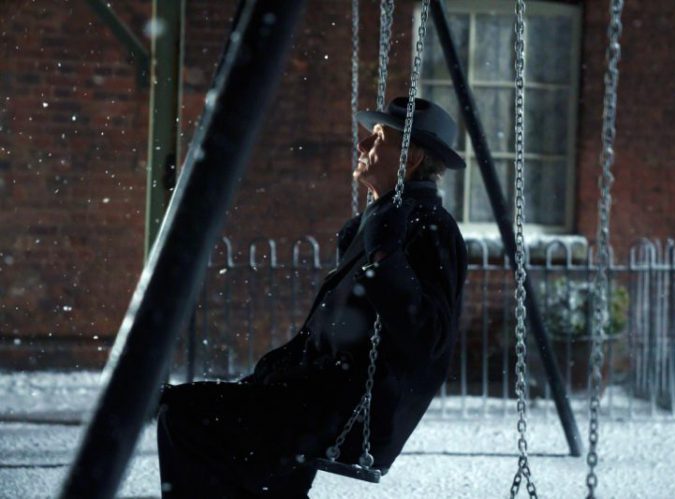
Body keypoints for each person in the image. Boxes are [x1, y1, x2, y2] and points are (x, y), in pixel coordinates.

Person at [156, 96, 468, 498]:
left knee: (184, 415)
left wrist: (386, 259)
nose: (362, 145)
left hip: (345, 408)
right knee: (224, 443)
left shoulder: (430, 226)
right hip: (314, 395)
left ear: (410, 158)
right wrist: (275, 368)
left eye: (377, 138)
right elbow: (329, 331)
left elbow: (430, 337)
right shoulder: (383, 220)